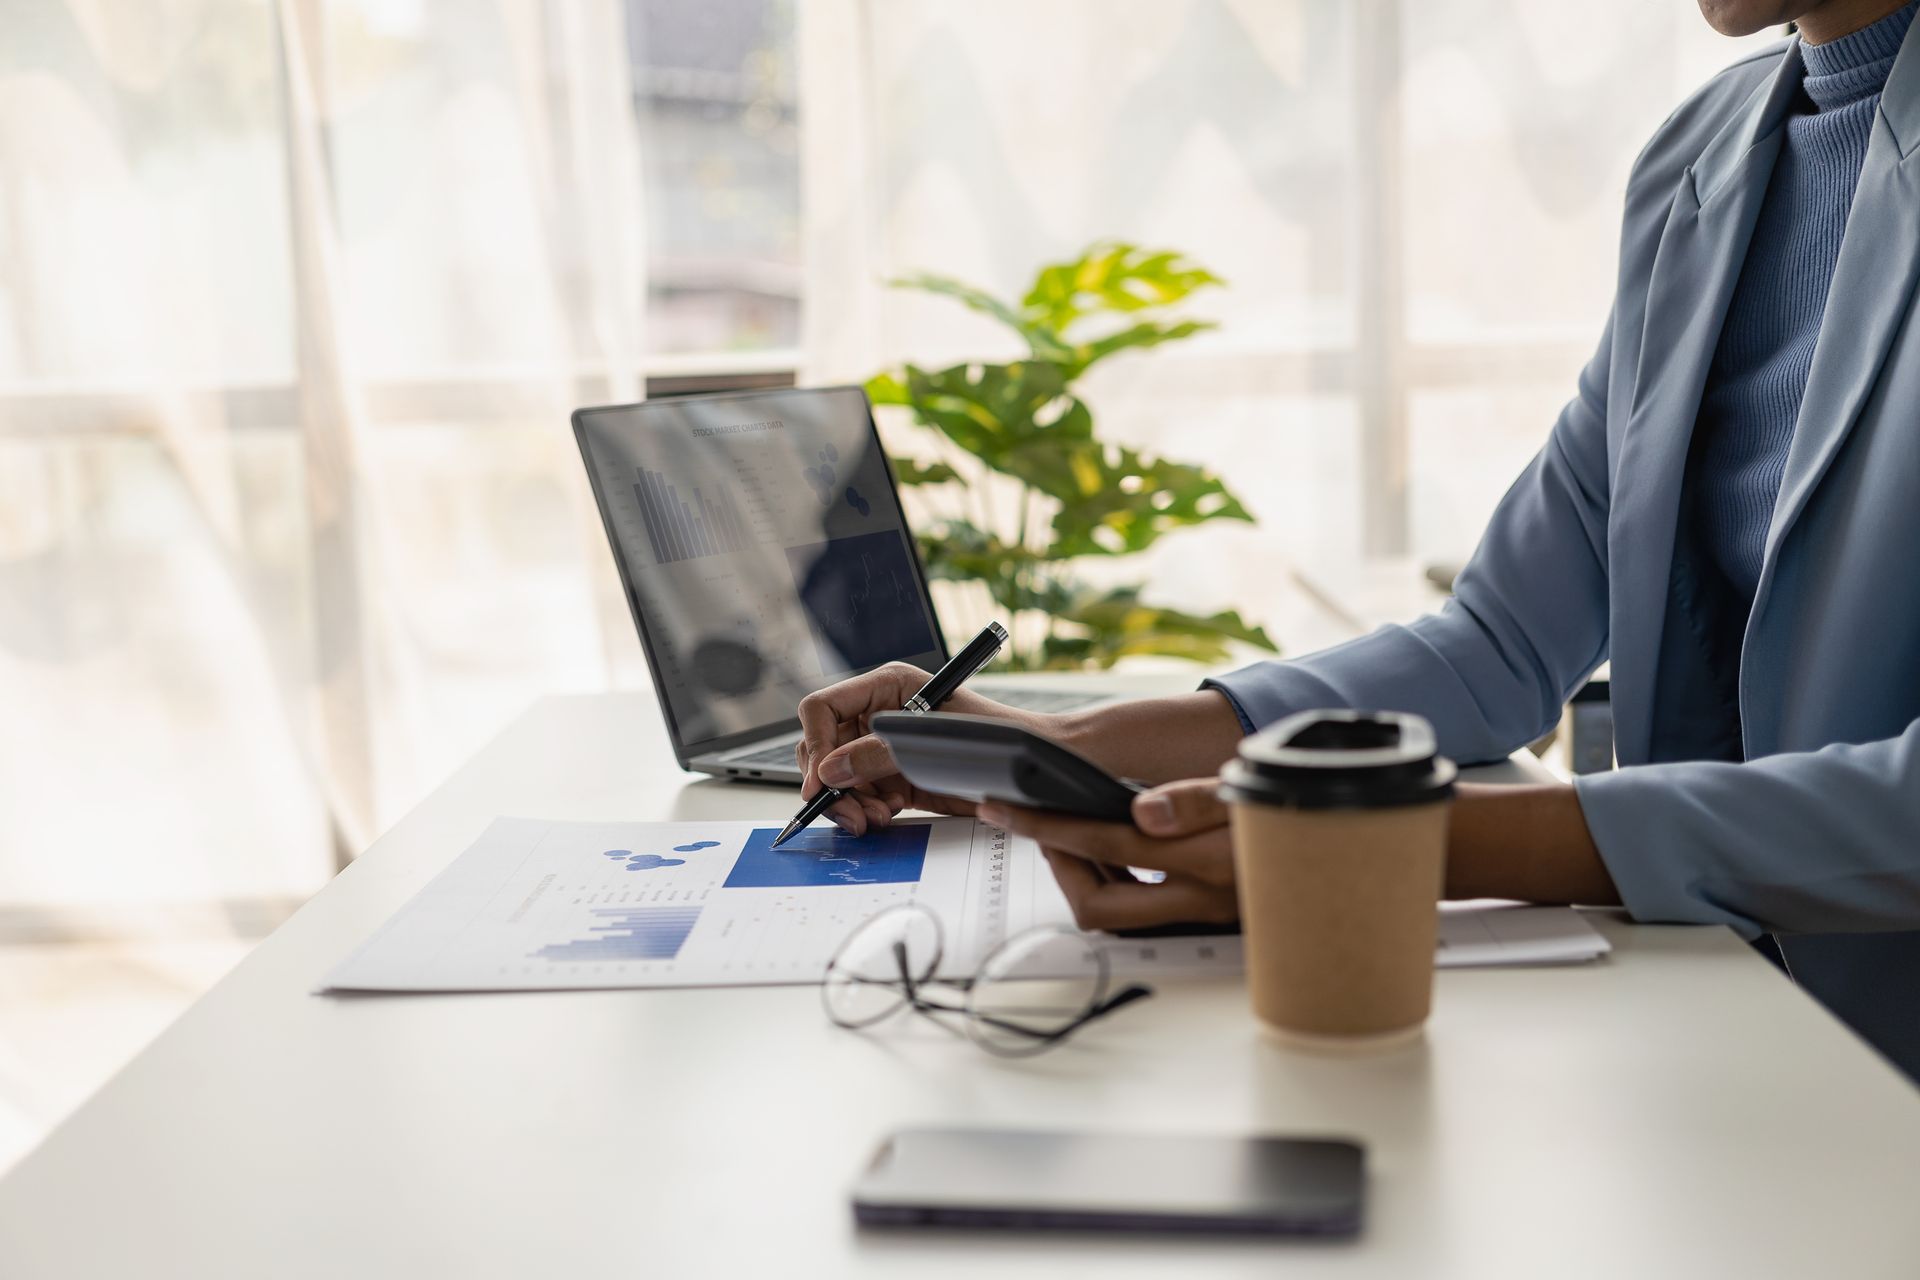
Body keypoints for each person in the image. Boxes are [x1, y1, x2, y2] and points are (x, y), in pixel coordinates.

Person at [796, 0, 1920, 1080]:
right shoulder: (1705, 155)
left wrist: (1374, 849)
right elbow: (1500, 640)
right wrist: (1065, 748)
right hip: (1722, 1020)